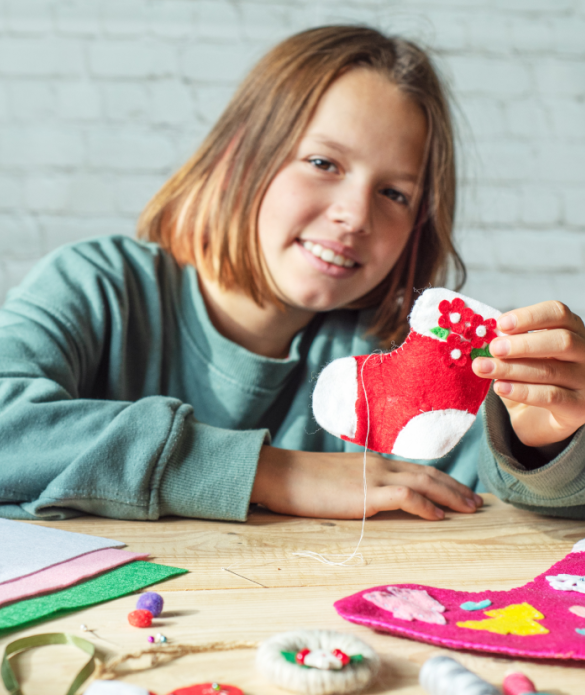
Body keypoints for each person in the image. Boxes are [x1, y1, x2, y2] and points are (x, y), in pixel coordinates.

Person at [0, 26, 584, 523]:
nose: (356, 215)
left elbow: (501, 496)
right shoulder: (97, 286)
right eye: (323, 163)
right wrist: (270, 473)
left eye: (394, 193)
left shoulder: (381, 359)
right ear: (237, 155)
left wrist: (541, 445)